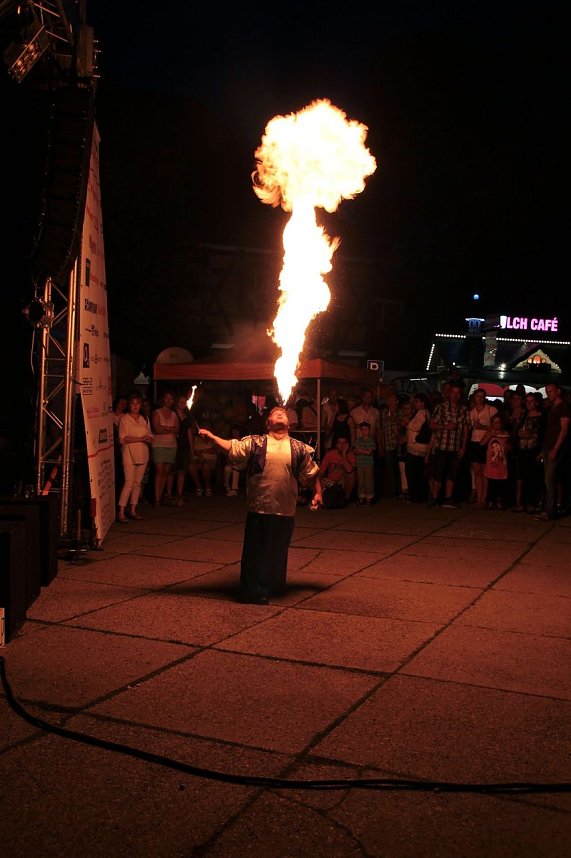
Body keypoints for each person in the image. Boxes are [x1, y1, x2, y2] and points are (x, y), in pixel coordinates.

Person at [198, 407, 321, 604]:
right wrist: (213, 437)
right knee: (257, 551)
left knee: (278, 550)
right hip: (260, 507)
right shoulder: (256, 442)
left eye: (283, 413)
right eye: (274, 413)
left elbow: (311, 472)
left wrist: (318, 491)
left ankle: (274, 586)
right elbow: (232, 447)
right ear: (268, 423)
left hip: (285, 509)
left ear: (289, 423)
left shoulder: (298, 447)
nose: (280, 414)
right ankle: (253, 591)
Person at [428, 381, 470, 508]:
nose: (455, 395)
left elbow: (465, 429)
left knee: (452, 474)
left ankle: (448, 498)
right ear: (449, 393)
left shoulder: (463, 410)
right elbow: (432, 425)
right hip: (442, 446)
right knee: (438, 474)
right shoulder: (441, 407)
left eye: (458, 393)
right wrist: (445, 426)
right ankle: (435, 498)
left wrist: (463, 446)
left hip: (455, 447)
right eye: (453, 392)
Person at [535, 382, 570, 521]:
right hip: (549, 446)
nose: (549, 394)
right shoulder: (553, 408)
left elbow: (564, 429)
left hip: (556, 447)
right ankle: (548, 509)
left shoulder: (564, 407)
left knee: (550, 480)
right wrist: (544, 450)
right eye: (547, 392)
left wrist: (556, 448)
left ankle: (550, 511)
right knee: (548, 480)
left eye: (551, 391)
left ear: (558, 391)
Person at [117, 393, 153, 522]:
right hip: (129, 452)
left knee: (137, 483)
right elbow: (123, 438)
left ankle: (132, 509)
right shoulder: (124, 418)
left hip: (143, 452)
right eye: (133, 403)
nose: (135, 406)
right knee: (129, 482)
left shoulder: (144, 418)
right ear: (129, 405)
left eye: (137, 403)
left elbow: (149, 434)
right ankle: (121, 511)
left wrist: (148, 439)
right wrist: (140, 438)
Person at [468, 389, 498, 508]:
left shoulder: (491, 410)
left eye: (482, 396)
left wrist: (482, 427)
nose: (479, 398)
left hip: (486, 443)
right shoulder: (472, 412)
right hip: (474, 443)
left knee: (485, 472)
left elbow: (496, 426)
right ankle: (479, 498)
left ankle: (483, 499)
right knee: (477, 472)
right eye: (477, 396)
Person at [517, 392, 545, 514]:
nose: (529, 404)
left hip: (535, 450)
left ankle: (533, 502)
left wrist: (532, 434)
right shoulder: (524, 417)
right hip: (523, 450)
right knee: (524, 477)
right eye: (527, 401)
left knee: (534, 477)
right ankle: (523, 502)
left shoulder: (541, 417)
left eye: (531, 401)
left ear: (536, 403)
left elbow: (543, 435)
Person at [151, 390, 179, 507]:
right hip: (159, 445)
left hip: (171, 446)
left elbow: (177, 429)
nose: (168, 401)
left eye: (171, 399)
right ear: (163, 399)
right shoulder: (156, 412)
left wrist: (165, 428)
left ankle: (160, 495)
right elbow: (157, 429)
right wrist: (169, 429)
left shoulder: (174, 414)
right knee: (159, 472)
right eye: (166, 398)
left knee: (166, 472)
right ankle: (156, 499)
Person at [481, 414, 511, 509]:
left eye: (498, 422)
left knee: (501, 481)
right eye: (494, 422)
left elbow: (510, 447)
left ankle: (499, 500)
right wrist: (490, 435)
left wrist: (507, 445)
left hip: (502, 463)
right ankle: (490, 500)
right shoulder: (490, 433)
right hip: (491, 462)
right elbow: (482, 443)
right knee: (491, 481)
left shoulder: (505, 433)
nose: (496, 424)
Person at [405, 393, 431, 503]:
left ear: (422, 402)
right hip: (420, 447)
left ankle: (415, 496)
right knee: (419, 473)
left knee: (412, 473)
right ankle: (420, 495)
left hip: (416, 447)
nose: (415, 404)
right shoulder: (426, 413)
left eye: (417, 401)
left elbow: (415, 427)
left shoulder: (421, 413)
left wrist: (407, 423)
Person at [318, 436, 356, 506]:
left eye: (344, 443)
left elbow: (349, 470)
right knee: (319, 478)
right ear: (336, 445)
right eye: (339, 443)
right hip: (330, 481)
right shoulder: (330, 454)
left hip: (343, 481)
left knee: (352, 474)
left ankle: (346, 499)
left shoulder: (351, 455)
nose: (342, 445)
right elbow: (321, 471)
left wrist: (344, 454)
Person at [353, 422, 376, 505]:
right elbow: (355, 451)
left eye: (366, 429)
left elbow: (369, 452)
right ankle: (361, 497)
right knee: (361, 480)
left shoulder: (371, 440)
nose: (365, 431)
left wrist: (360, 450)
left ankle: (369, 498)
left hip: (368, 464)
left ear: (369, 430)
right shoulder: (358, 440)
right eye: (363, 430)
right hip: (360, 463)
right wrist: (362, 451)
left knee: (369, 481)